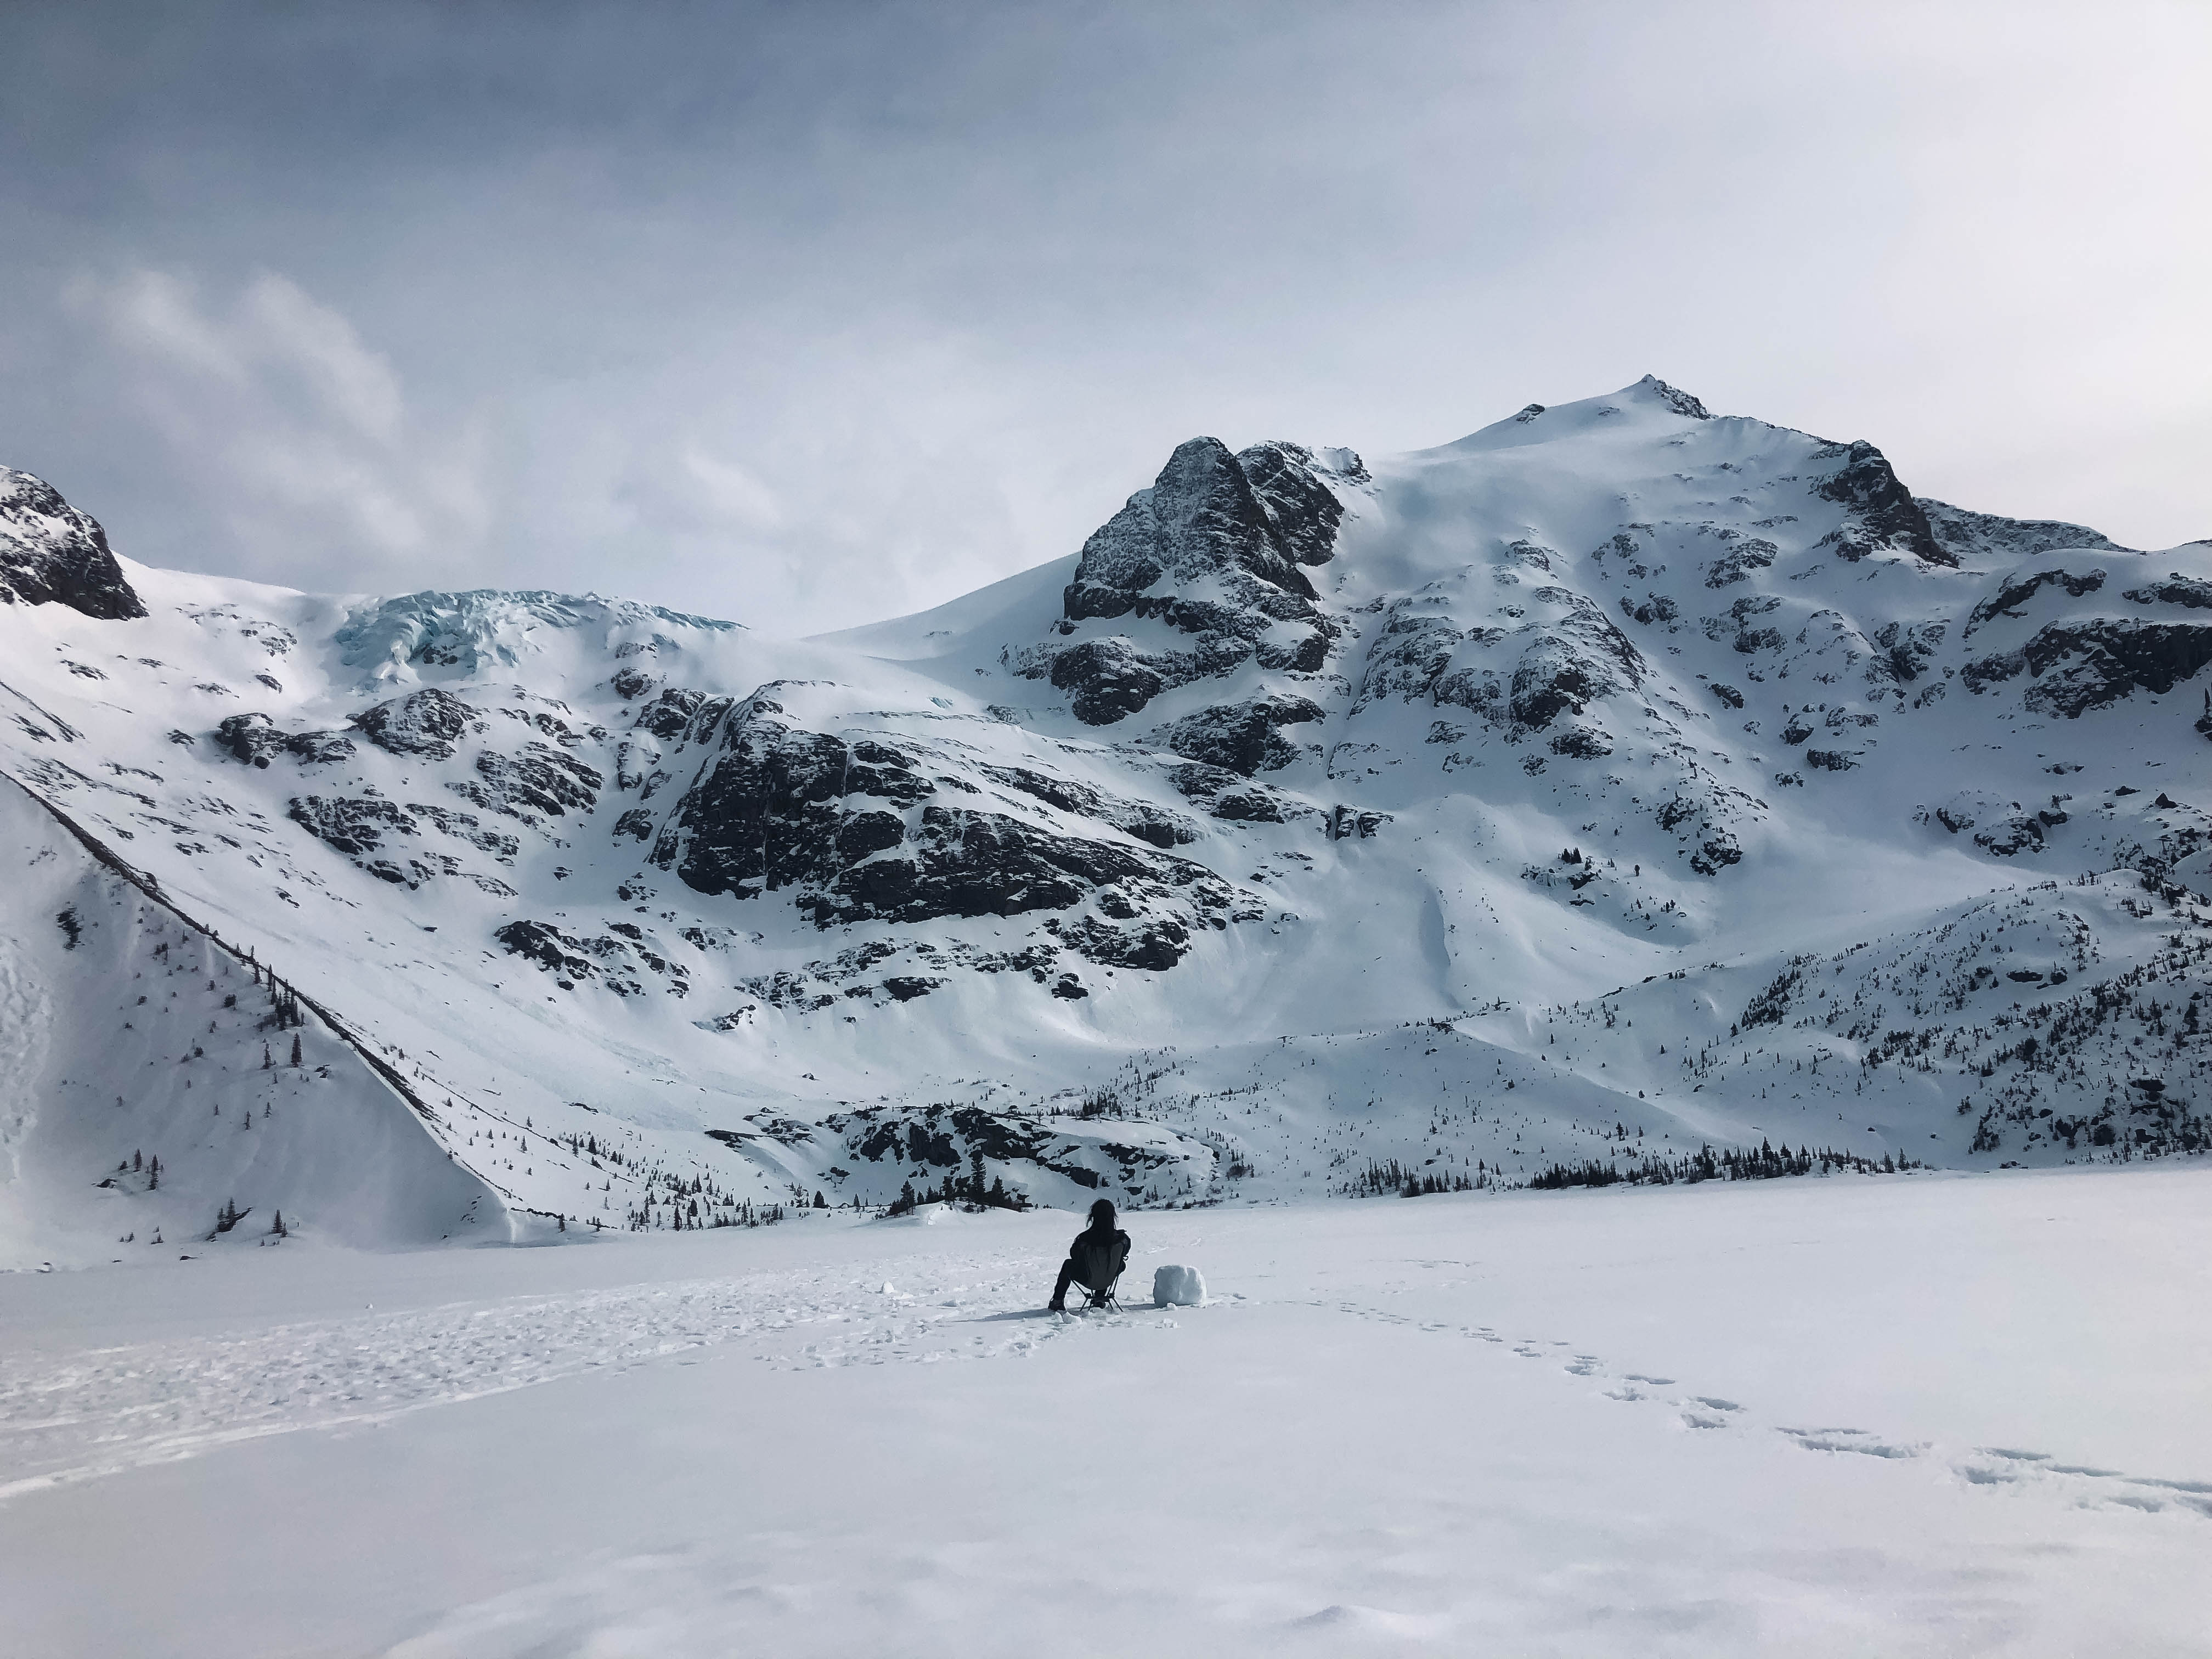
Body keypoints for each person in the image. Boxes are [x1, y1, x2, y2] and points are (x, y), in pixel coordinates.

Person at [1048, 1198, 1131, 1311]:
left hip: (1088, 1279)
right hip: (1108, 1278)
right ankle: (1100, 1297)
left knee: (1068, 1264)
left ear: (1093, 1217)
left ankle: (1058, 1301)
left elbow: (1074, 1256)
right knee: (1119, 1264)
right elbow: (1124, 1253)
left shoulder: (1084, 1240)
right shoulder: (1123, 1240)